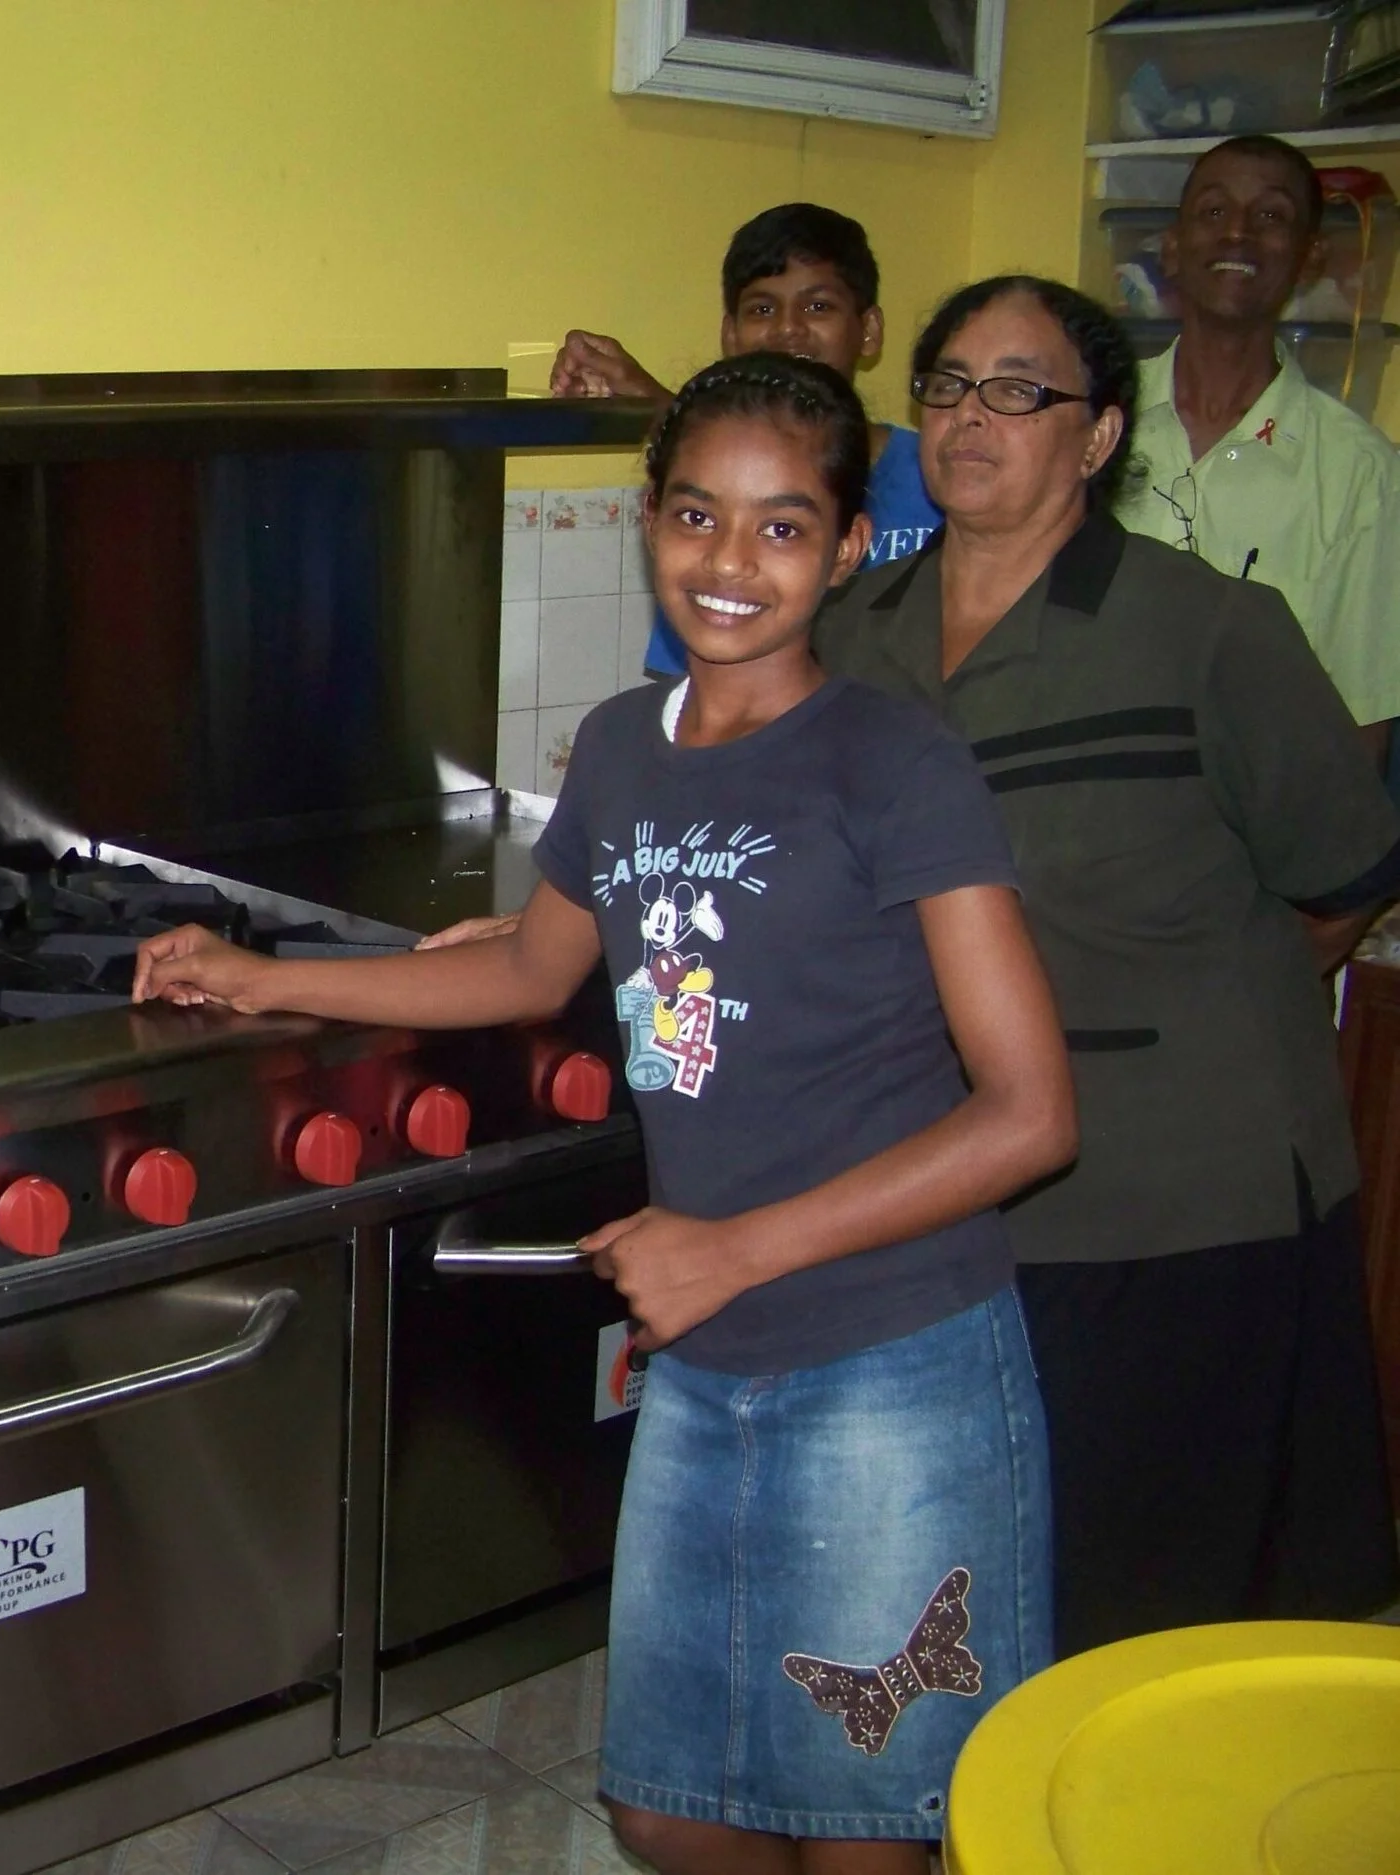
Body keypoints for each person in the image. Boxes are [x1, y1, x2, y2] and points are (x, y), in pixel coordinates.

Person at [138, 355, 1075, 1875]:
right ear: (650, 517)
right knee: (667, 1807)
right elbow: (526, 967)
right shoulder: (629, 746)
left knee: (861, 1832)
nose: (730, 561)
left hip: (894, 1363)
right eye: (699, 513)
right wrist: (264, 973)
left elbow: (1031, 1114)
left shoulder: (896, 762)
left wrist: (734, 1250)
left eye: (784, 527)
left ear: (846, 549)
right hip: (714, 1361)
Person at [820, 275, 1400, 1658]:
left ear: (1094, 439)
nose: (974, 415)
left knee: (1161, 1606)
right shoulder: (854, 635)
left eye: (1022, 389)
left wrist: (1174, 1019)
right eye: (950, 383)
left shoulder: (1206, 632)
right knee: (972, 1575)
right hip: (951, 1183)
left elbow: (1343, 880)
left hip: (1177, 1201)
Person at [553, 202, 943, 678]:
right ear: (731, 334)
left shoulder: (937, 481)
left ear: (869, 330)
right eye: (761, 308)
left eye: (818, 306)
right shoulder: (711, 552)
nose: (787, 328)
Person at [1112, 136, 1400, 766]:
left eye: (1270, 216)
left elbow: (1361, 731)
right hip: (1083, 816)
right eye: (1213, 212)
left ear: (1309, 258)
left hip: (1255, 839)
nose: (1237, 233)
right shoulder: (1092, 424)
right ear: (1172, 247)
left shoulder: (1359, 474)